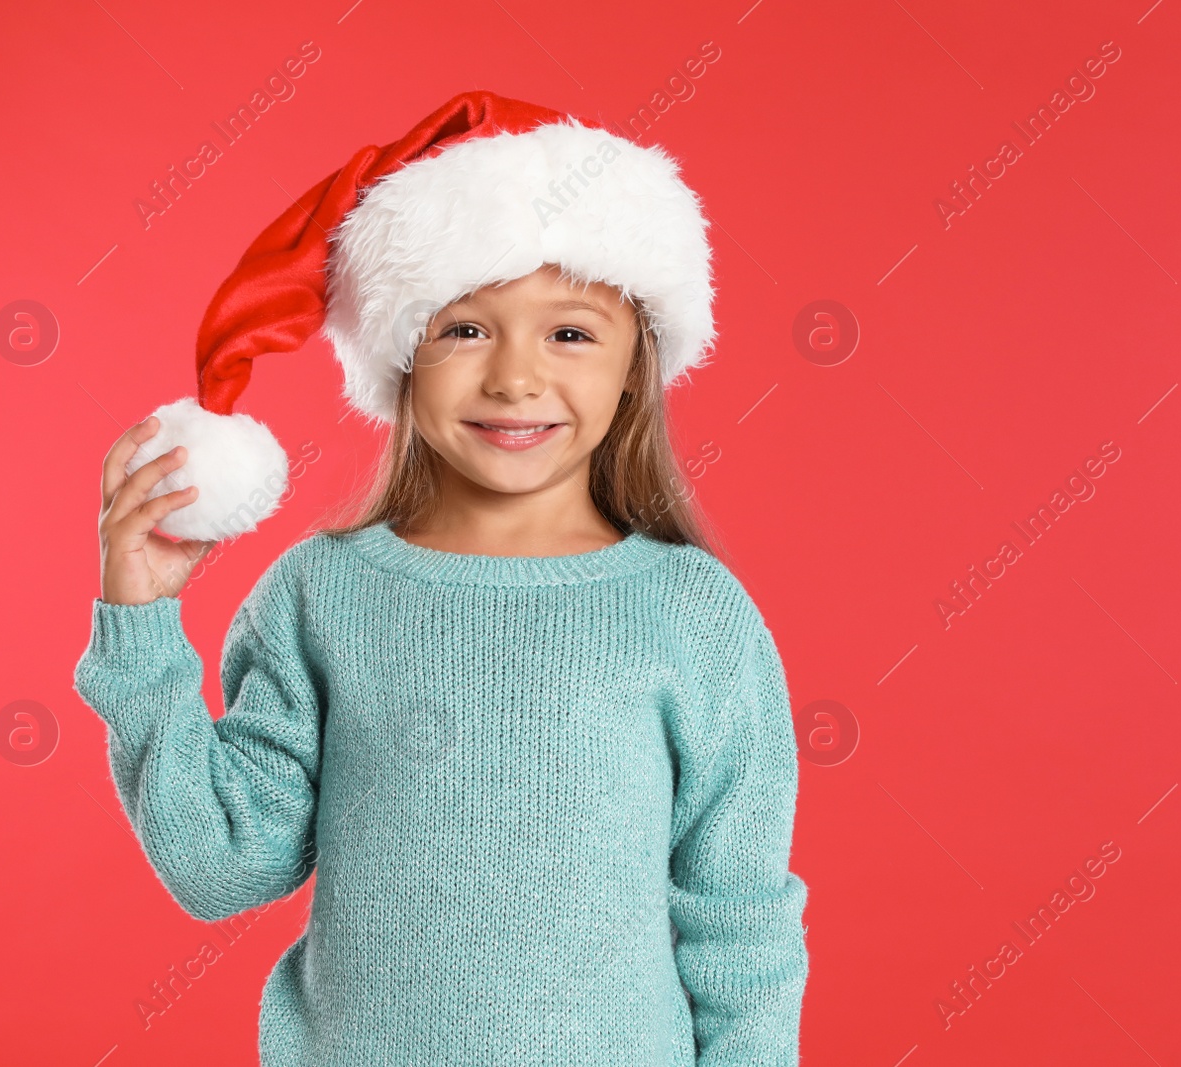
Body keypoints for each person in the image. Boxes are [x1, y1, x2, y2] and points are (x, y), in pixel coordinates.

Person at [73, 90, 807, 1066]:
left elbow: (740, 919)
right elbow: (221, 863)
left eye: (571, 332)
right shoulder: (317, 595)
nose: (512, 378)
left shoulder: (694, 614)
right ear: (400, 355)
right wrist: (143, 628)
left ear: (637, 361)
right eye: (464, 329)